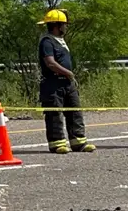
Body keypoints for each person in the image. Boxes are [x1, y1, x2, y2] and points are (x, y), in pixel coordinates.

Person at [37, 9, 96, 154]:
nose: (66, 27)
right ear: (57, 25)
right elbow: (50, 63)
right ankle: (57, 144)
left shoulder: (61, 41)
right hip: (53, 84)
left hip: (67, 84)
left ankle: (79, 142)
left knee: (74, 111)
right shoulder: (47, 41)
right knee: (55, 114)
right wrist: (68, 72)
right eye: (64, 24)